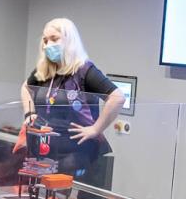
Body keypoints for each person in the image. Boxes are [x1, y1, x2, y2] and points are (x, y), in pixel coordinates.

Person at [18, 18, 124, 180]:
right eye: (45, 40)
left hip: (78, 157)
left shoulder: (84, 70)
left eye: (54, 39)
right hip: (47, 154)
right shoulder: (46, 70)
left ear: (69, 40)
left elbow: (117, 98)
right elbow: (26, 87)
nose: (47, 45)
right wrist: (29, 113)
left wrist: (96, 129)